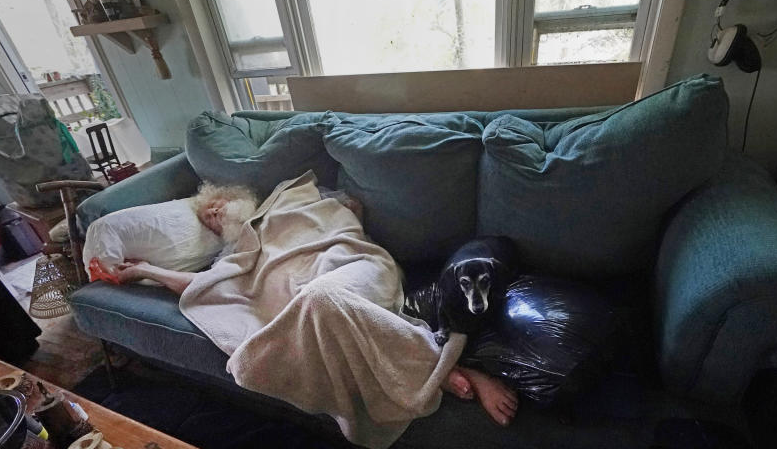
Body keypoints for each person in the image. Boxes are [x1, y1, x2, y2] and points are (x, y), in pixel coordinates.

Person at [114, 183, 519, 427]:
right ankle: (444, 365)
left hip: (353, 262)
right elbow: (205, 283)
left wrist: (341, 211)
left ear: (239, 197)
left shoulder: (291, 198)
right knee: (275, 343)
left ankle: (445, 366)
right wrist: (147, 269)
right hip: (304, 293)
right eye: (209, 219)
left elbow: (345, 214)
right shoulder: (235, 252)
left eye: (217, 204)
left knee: (323, 297)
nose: (215, 213)